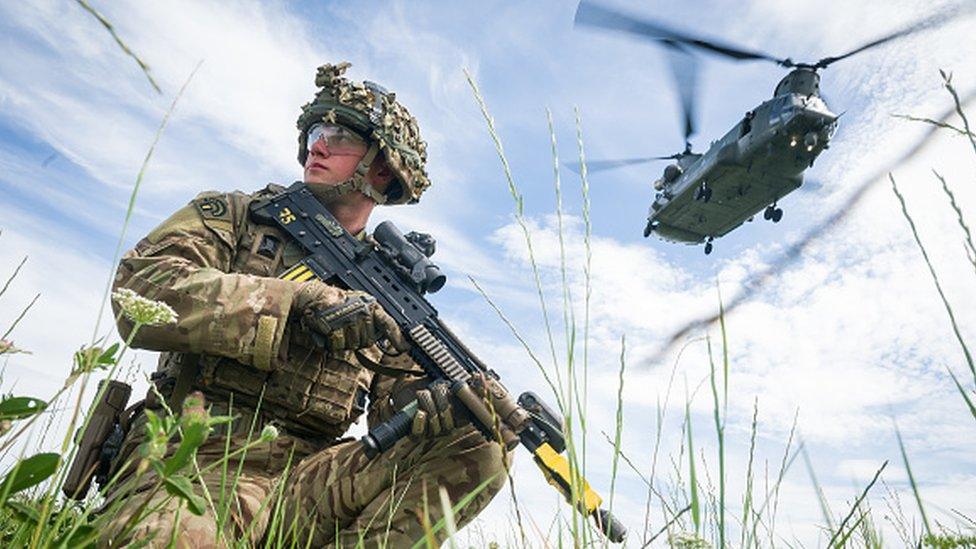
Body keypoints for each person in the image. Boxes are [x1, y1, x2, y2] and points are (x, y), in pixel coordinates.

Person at [99, 62, 507, 548]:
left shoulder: (391, 294)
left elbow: (390, 415)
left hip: (311, 482)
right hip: (190, 456)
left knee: (483, 443)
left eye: (338, 135)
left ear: (383, 168)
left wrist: (435, 407)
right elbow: (141, 291)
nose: (318, 144)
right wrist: (292, 303)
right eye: (317, 130)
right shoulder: (236, 218)